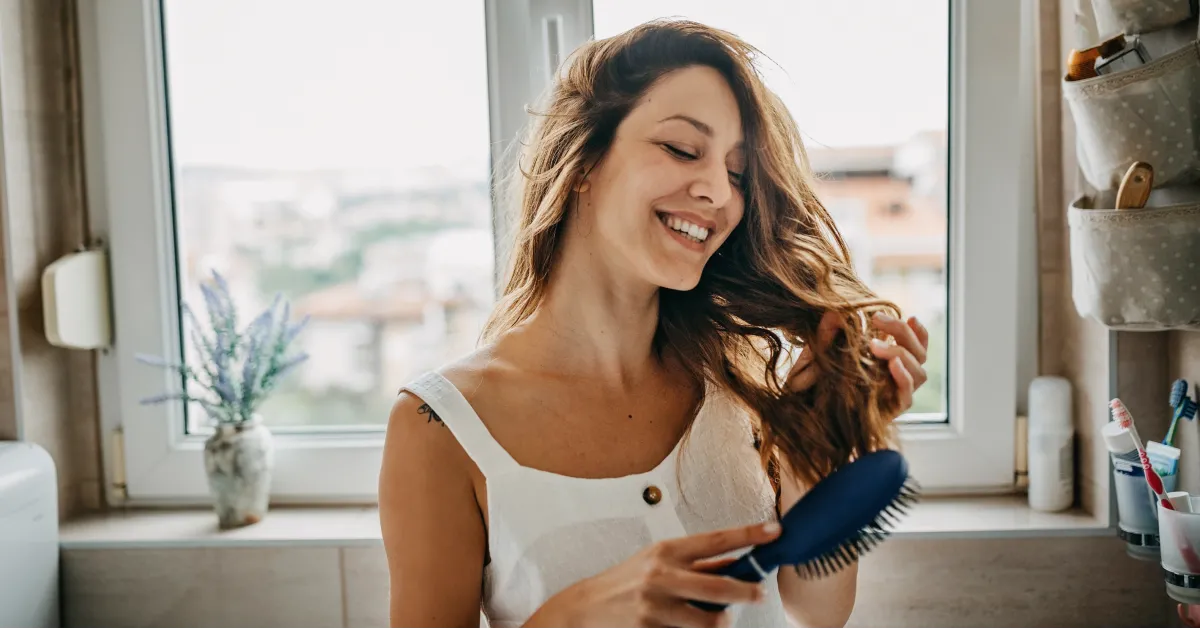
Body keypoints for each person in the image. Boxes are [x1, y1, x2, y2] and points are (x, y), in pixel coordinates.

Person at [379, 18, 929, 629]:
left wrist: (817, 446)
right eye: (682, 149)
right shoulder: (443, 428)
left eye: (738, 173)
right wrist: (573, 618)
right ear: (583, 159)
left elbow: (811, 613)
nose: (719, 191)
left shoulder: (747, 386)